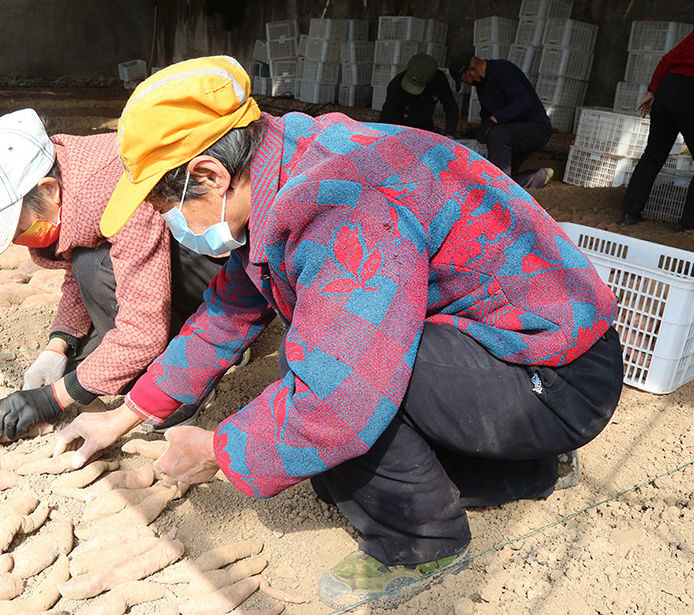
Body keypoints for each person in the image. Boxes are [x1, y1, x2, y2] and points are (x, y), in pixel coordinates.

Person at [54, 56, 624, 609]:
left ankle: (421, 545)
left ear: (209, 174)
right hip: (491, 356)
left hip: (553, 373)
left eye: (162, 203)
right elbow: (226, 314)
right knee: (331, 472)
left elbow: (339, 399)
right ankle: (532, 468)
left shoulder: (342, 202)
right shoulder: (282, 162)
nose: (162, 222)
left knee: (328, 385)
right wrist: (126, 415)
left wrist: (218, 452)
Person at [0, 109, 224, 440]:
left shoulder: (109, 188)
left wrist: (53, 397)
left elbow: (143, 329)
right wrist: (58, 346)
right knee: (83, 340)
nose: (16, 240)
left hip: (215, 261)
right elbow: (80, 264)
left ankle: (180, 380)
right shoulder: (68, 174)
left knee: (95, 270)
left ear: (49, 190)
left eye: (17, 228)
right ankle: (175, 349)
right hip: (158, 260)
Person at [618, 28, 694, 232]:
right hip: (690, 94)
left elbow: (667, 60)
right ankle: (688, 227)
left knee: (652, 155)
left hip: (668, 89)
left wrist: (653, 91)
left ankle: (629, 213)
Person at [449, 52, 555, 189]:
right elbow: (487, 114)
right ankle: (536, 178)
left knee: (498, 135)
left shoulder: (504, 70)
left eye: (465, 80)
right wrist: (482, 129)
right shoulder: (481, 86)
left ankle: (499, 187)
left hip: (535, 129)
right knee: (503, 176)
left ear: (471, 70)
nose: (467, 84)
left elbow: (523, 101)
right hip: (511, 134)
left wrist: (494, 120)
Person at [379, 52, 459, 137]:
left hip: (424, 129)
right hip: (398, 129)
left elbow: (451, 108)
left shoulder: (438, 80)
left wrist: (449, 135)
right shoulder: (396, 87)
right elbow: (390, 123)